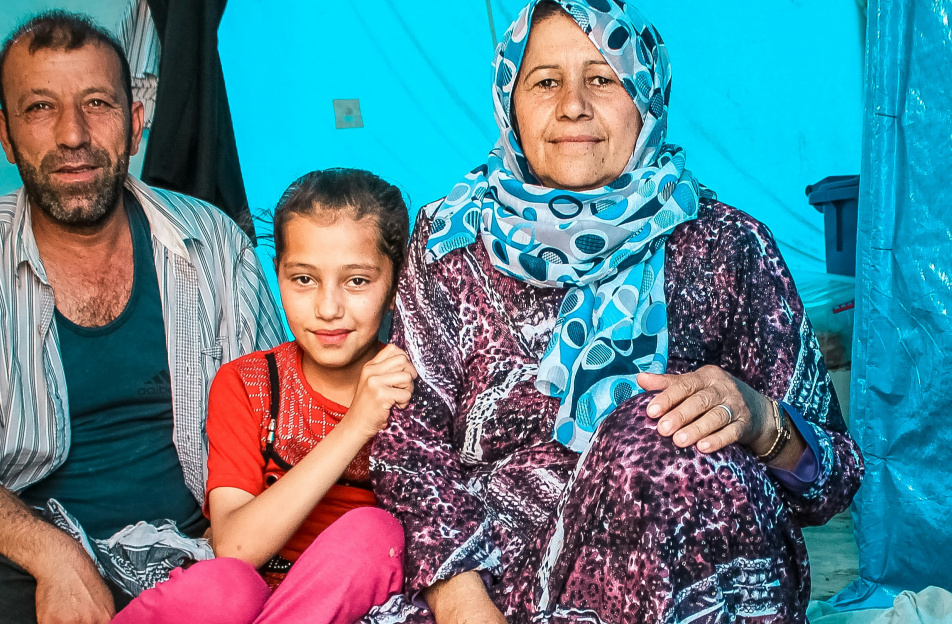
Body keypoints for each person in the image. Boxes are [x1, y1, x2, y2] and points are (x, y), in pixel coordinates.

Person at [368, 2, 865, 623]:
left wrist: (763, 421)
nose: (572, 104)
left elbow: (836, 478)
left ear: (647, 96)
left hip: (696, 573)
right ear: (509, 103)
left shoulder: (727, 245)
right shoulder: (451, 243)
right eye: (545, 81)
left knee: (662, 438)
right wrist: (461, 600)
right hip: (499, 581)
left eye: (603, 78)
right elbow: (409, 446)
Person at [0, 11, 283, 624]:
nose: (72, 135)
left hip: (202, 558)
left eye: (97, 103)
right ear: (6, 135)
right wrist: (57, 559)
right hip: (38, 567)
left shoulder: (215, 246)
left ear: (136, 123)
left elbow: (277, 410)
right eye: (40, 108)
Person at [112, 169, 414, 624]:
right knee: (224, 585)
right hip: (244, 599)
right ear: (278, 277)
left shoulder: (414, 387)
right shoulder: (249, 384)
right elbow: (233, 546)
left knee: (376, 534)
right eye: (304, 280)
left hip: (346, 607)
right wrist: (356, 425)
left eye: (356, 281)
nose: (328, 308)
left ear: (395, 285)